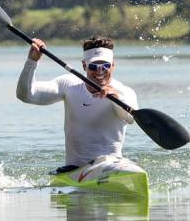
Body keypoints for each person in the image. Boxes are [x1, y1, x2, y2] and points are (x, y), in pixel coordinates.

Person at [16, 36, 138, 173]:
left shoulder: (125, 92)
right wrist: (32, 61)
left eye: (105, 65)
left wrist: (115, 98)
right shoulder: (68, 85)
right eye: (93, 66)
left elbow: (130, 118)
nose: (100, 71)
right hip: (74, 170)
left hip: (112, 165)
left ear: (113, 65)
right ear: (84, 65)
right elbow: (26, 95)